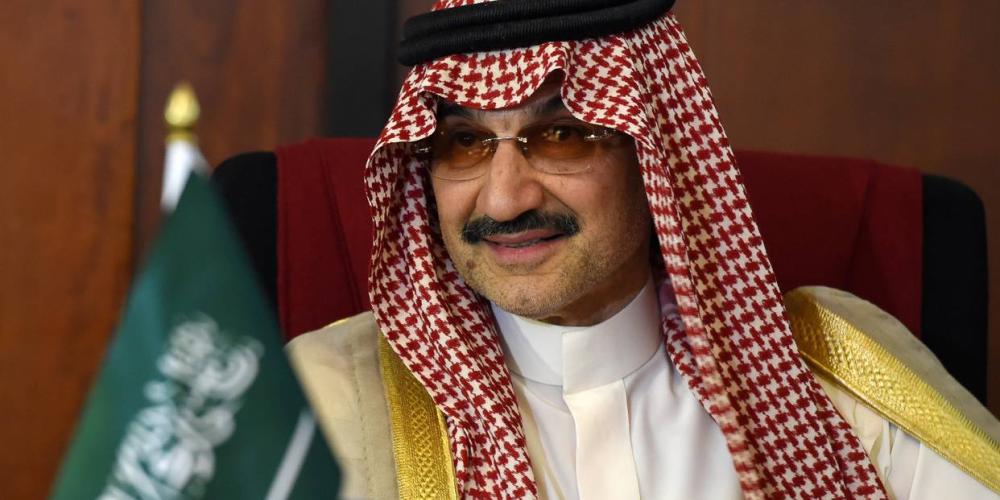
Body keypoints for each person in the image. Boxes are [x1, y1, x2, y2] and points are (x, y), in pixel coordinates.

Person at [286, 1, 1000, 498]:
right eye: (465, 142)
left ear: (656, 158)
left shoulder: (834, 381)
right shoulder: (314, 404)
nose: (504, 201)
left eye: (561, 135)